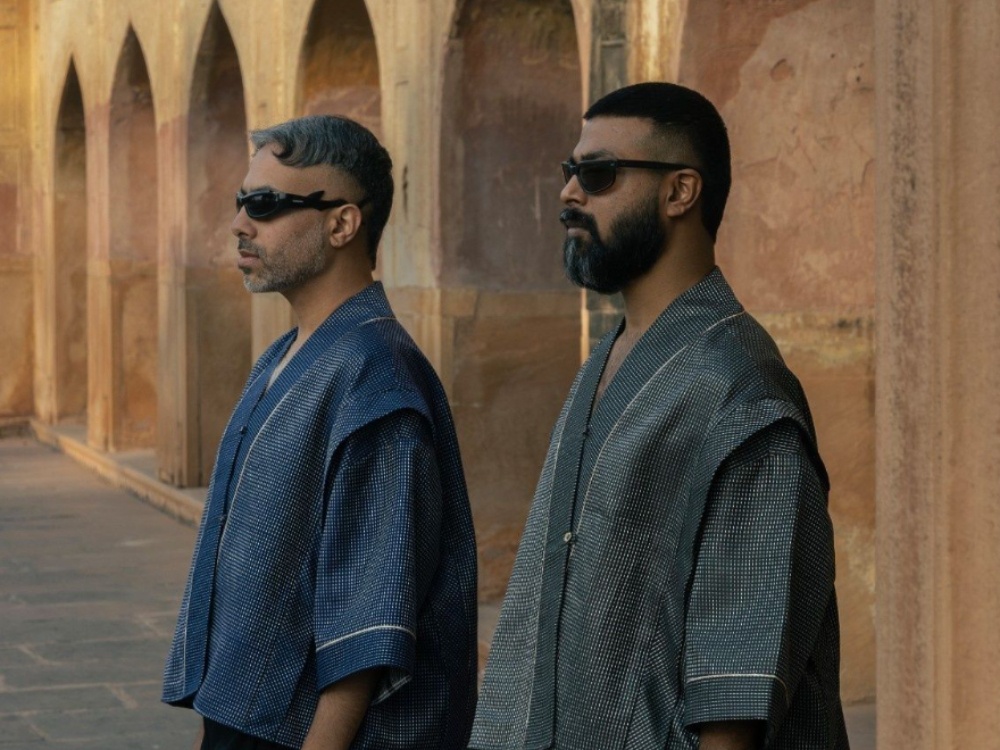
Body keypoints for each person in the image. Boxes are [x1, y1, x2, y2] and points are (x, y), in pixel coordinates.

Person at [470, 83, 849, 749]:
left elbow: (735, 683)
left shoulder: (740, 390)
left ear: (680, 192)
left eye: (599, 174)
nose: (569, 193)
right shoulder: (609, 358)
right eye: (571, 172)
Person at [162, 115, 477, 750]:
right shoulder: (285, 354)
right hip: (247, 720)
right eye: (241, 202)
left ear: (341, 223)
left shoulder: (375, 376)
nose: (240, 224)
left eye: (267, 204)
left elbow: (371, 611)